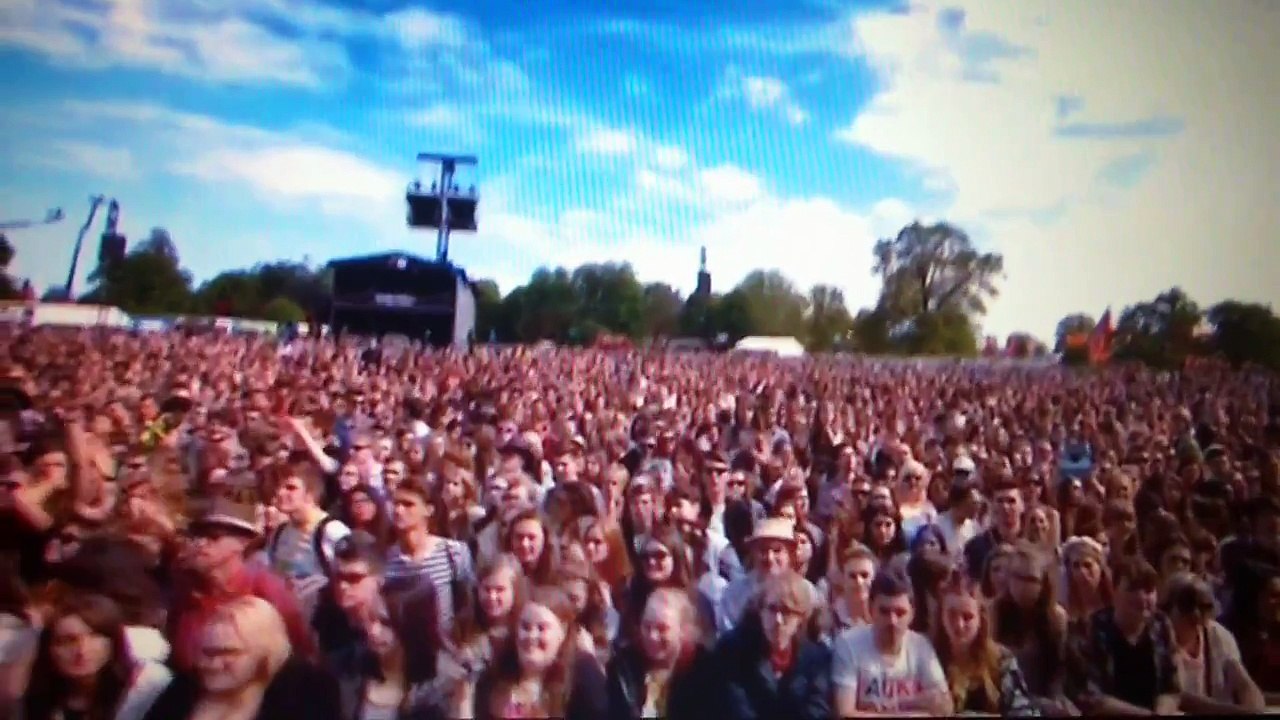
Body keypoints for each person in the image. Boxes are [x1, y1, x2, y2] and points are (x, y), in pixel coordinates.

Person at [166, 498, 314, 674]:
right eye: (197, 536)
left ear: (242, 542)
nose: (201, 543)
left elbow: (301, 653)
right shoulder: (187, 591)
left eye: (213, 537)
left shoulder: (265, 588)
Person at [144, 596, 340, 720]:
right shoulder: (186, 687)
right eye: (208, 652)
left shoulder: (307, 691)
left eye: (228, 652)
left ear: (264, 651)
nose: (212, 664)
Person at [24, 593, 171, 720]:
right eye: (68, 641)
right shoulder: (40, 701)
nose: (82, 651)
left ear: (113, 640)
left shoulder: (148, 687)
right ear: (49, 648)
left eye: (95, 636)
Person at [1065, 556, 1181, 715]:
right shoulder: (1089, 629)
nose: (1142, 598)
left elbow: (1171, 688)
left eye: (1148, 591)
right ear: (1114, 591)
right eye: (1133, 588)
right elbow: (1089, 697)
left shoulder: (1161, 626)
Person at [473, 585, 607, 720]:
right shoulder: (494, 676)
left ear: (563, 632)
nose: (531, 636)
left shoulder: (582, 678)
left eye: (541, 628)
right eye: (525, 627)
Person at [831, 571, 952, 717]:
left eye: (900, 613)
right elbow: (845, 714)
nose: (892, 621)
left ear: (912, 614)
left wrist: (899, 704)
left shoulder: (921, 646)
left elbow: (944, 706)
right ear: (870, 609)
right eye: (884, 612)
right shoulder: (848, 643)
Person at [714, 571, 832, 720]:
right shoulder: (732, 650)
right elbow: (736, 709)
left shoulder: (816, 657)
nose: (778, 620)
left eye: (787, 611)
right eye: (771, 609)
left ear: (801, 619)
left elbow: (817, 711)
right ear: (760, 611)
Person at [931, 574, 1038, 716]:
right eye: (951, 615)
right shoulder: (926, 657)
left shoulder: (1001, 660)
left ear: (980, 619)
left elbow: (1023, 710)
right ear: (941, 617)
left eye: (967, 617)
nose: (959, 625)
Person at [606, 587, 714, 720]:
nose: (652, 636)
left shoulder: (705, 674)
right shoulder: (623, 669)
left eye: (662, 629)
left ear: (683, 630)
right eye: (647, 627)